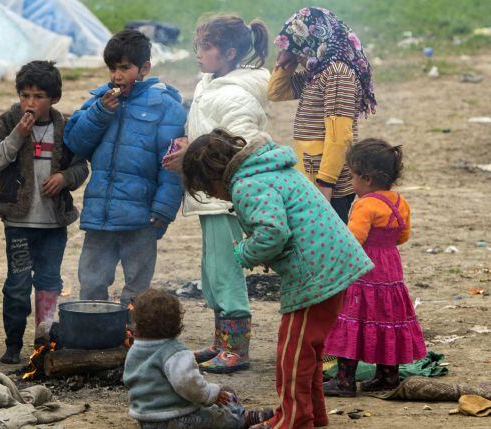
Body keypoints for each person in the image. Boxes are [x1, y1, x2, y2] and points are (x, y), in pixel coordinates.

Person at [181, 129, 373, 429]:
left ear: (212, 176)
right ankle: (310, 415)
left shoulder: (247, 184)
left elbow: (273, 233)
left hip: (316, 273)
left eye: (207, 190)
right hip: (332, 263)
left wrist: (243, 252)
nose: (214, 196)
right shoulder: (267, 168)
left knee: (292, 354)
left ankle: (294, 419)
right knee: (306, 350)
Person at [163, 14, 270, 374]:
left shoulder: (237, 95)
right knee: (211, 272)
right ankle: (220, 342)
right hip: (208, 197)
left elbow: (240, 149)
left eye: (206, 48)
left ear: (230, 52)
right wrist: (187, 142)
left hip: (224, 197)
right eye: (198, 46)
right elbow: (208, 134)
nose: (199, 54)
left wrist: (192, 152)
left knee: (225, 271)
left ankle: (237, 348)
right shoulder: (210, 84)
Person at [64, 29, 186, 306]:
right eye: (112, 68)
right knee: (92, 279)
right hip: (100, 213)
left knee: (137, 283)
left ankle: (135, 333)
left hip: (142, 215)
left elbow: (171, 164)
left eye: (124, 68)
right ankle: (94, 331)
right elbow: (76, 143)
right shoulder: (98, 102)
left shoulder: (165, 107)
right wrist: (101, 113)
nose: (117, 76)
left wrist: (164, 208)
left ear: (144, 68)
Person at [0, 61, 89, 364]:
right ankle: (13, 344)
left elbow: (82, 167)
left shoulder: (66, 128)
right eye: (25, 95)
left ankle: (44, 341)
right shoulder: (5, 123)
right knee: (16, 285)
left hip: (53, 223)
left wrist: (65, 178)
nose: (30, 103)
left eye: (38, 96)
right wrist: (16, 136)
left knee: (49, 282)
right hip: (18, 221)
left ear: (53, 98)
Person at [323, 139, 426, 397]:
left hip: (365, 270)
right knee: (386, 319)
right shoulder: (400, 202)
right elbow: (403, 236)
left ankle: (345, 381)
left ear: (366, 179)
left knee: (353, 319)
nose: (351, 182)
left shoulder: (365, 205)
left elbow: (353, 239)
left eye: (352, 176)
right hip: (390, 270)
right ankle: (387, 376)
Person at [267, 7, 376, 223]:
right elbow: (275, 92)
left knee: (328, 249)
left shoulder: (337, 74)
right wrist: (285, 66)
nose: (296, 52)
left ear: (313, 38)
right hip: (312, 178)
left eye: (295, 46)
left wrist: (326, 183)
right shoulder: (317, 73)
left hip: (329, 187)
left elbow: (340, 137)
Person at [123, 288, 273, 429]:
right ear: (176, 323)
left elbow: (130, 379)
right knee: (216, 415)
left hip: (145, 419)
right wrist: (211, 394)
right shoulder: (174, 352)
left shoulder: (136, 349)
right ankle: (242, 418)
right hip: (173, 419)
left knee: (223, 393)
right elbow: (188, 384)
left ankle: (236, 410)